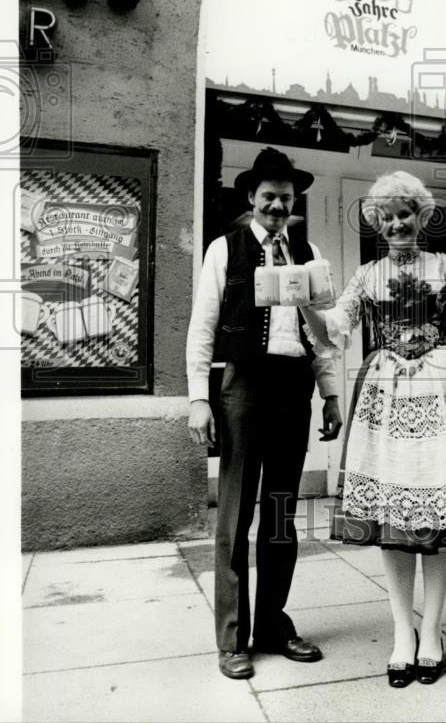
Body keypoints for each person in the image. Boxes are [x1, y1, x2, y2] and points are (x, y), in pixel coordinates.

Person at [302, 171, 446, 688]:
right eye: (387, 217)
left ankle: (433, 630)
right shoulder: (366, 275)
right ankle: (402, 631)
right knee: (390, 513)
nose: (397, 224)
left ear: (422, 218)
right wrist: (302, 300)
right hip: (388, 394)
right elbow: (332, 331)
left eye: (405, 214)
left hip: (442, 390)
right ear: (377, 223)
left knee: (440, 513)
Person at [186, 147, 343, 681]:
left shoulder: (309, 252)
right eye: (269, 196)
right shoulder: (224, 249)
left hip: (293, 388)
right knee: (234, 516)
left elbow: (324, 333)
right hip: (244, 388)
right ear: (251, 198)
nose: (278, 205)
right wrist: (199, 398)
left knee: (280, 513)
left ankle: (273, 624)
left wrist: (330, 393)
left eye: (286, 197)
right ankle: (232, 638)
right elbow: (202, 326)